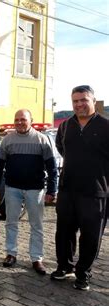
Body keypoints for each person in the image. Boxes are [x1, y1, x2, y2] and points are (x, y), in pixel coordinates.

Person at [51, 85, 109, 291]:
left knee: (91, 235)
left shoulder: (106, 126)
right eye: (75, 101)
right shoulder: (66, 126)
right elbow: (61, 148)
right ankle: (64, 266)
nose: (79, 104)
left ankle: (83, 273)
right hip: (68, 189)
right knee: (64, 231)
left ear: (93, 100)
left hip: (95, 191)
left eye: (83, 100)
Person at [0, 109, 57, 275]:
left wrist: (52, 189)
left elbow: (52, 167)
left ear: (31, 120)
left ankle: (36, 258)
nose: (19, 122)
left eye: (23, 119)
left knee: (37, 225)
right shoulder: (7, 140)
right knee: (11, 222)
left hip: (35, 189)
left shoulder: (42, 139)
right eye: (17, 119)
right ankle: (11, 254)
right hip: (12, 188)